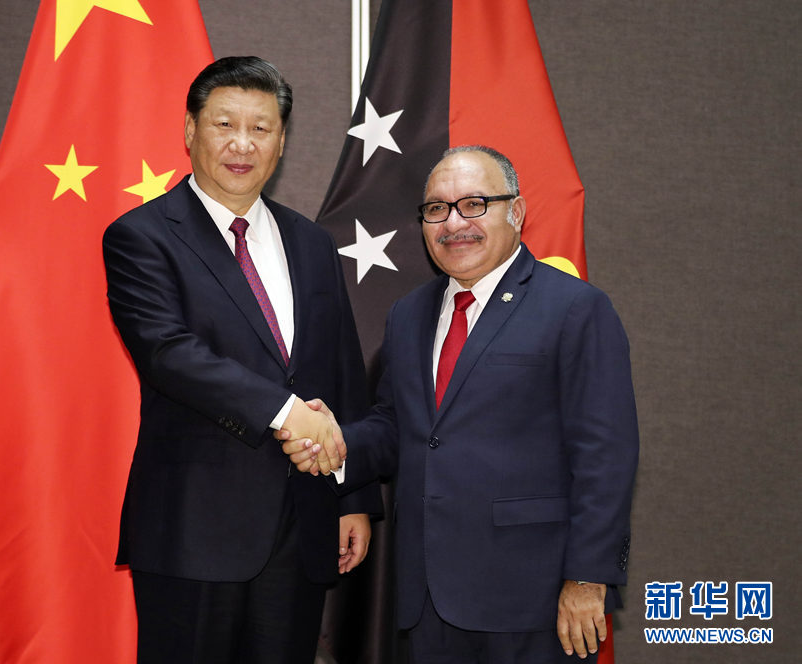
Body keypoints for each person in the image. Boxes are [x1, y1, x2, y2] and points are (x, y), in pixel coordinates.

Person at [279, 146, 639, 662]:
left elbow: (606, 454)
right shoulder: (409, 315)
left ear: (516, 212)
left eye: (474, 204)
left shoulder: (576, 308)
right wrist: (333, 442)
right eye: (436, 209)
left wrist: (587, 578)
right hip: (427, 597)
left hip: (533, 598)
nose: (454, 223)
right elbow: (395, 426)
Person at [102, 56, 380, 664]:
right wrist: (285, 412)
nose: (242, 144)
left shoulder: (312, 242)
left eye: (261, 128)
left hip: (303, 523)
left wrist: (352, 494)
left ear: (281, 142)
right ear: (190, 130)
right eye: (224, 124)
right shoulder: (141, 236)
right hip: (194, 529)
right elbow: (168, 353)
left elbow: (340, 369)